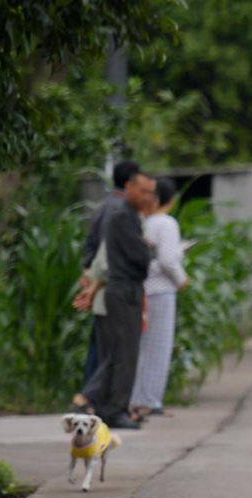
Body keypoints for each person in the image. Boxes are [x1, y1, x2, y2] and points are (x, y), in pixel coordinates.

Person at [77, 166, 154, 429]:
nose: (147, 197)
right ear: (128, 187)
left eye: (150, 193)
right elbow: (140, 258)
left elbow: (92, 251)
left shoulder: (112, 211)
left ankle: (102, 405)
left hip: (113, 289)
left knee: (113, 353)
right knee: (120, 354)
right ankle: (96, 401)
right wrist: (147, 249)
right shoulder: (122, 214)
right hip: (120, 289)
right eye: (142, 191)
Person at [130, 178, 190, 417]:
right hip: (162, 290)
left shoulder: (143, 221)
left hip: (143, 288)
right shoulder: (167, 223)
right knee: (159, 347)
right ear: (172, 200)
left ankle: (137, 398)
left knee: (143, 348)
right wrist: (181, 279)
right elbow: (166, 260)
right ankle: (150, 401)